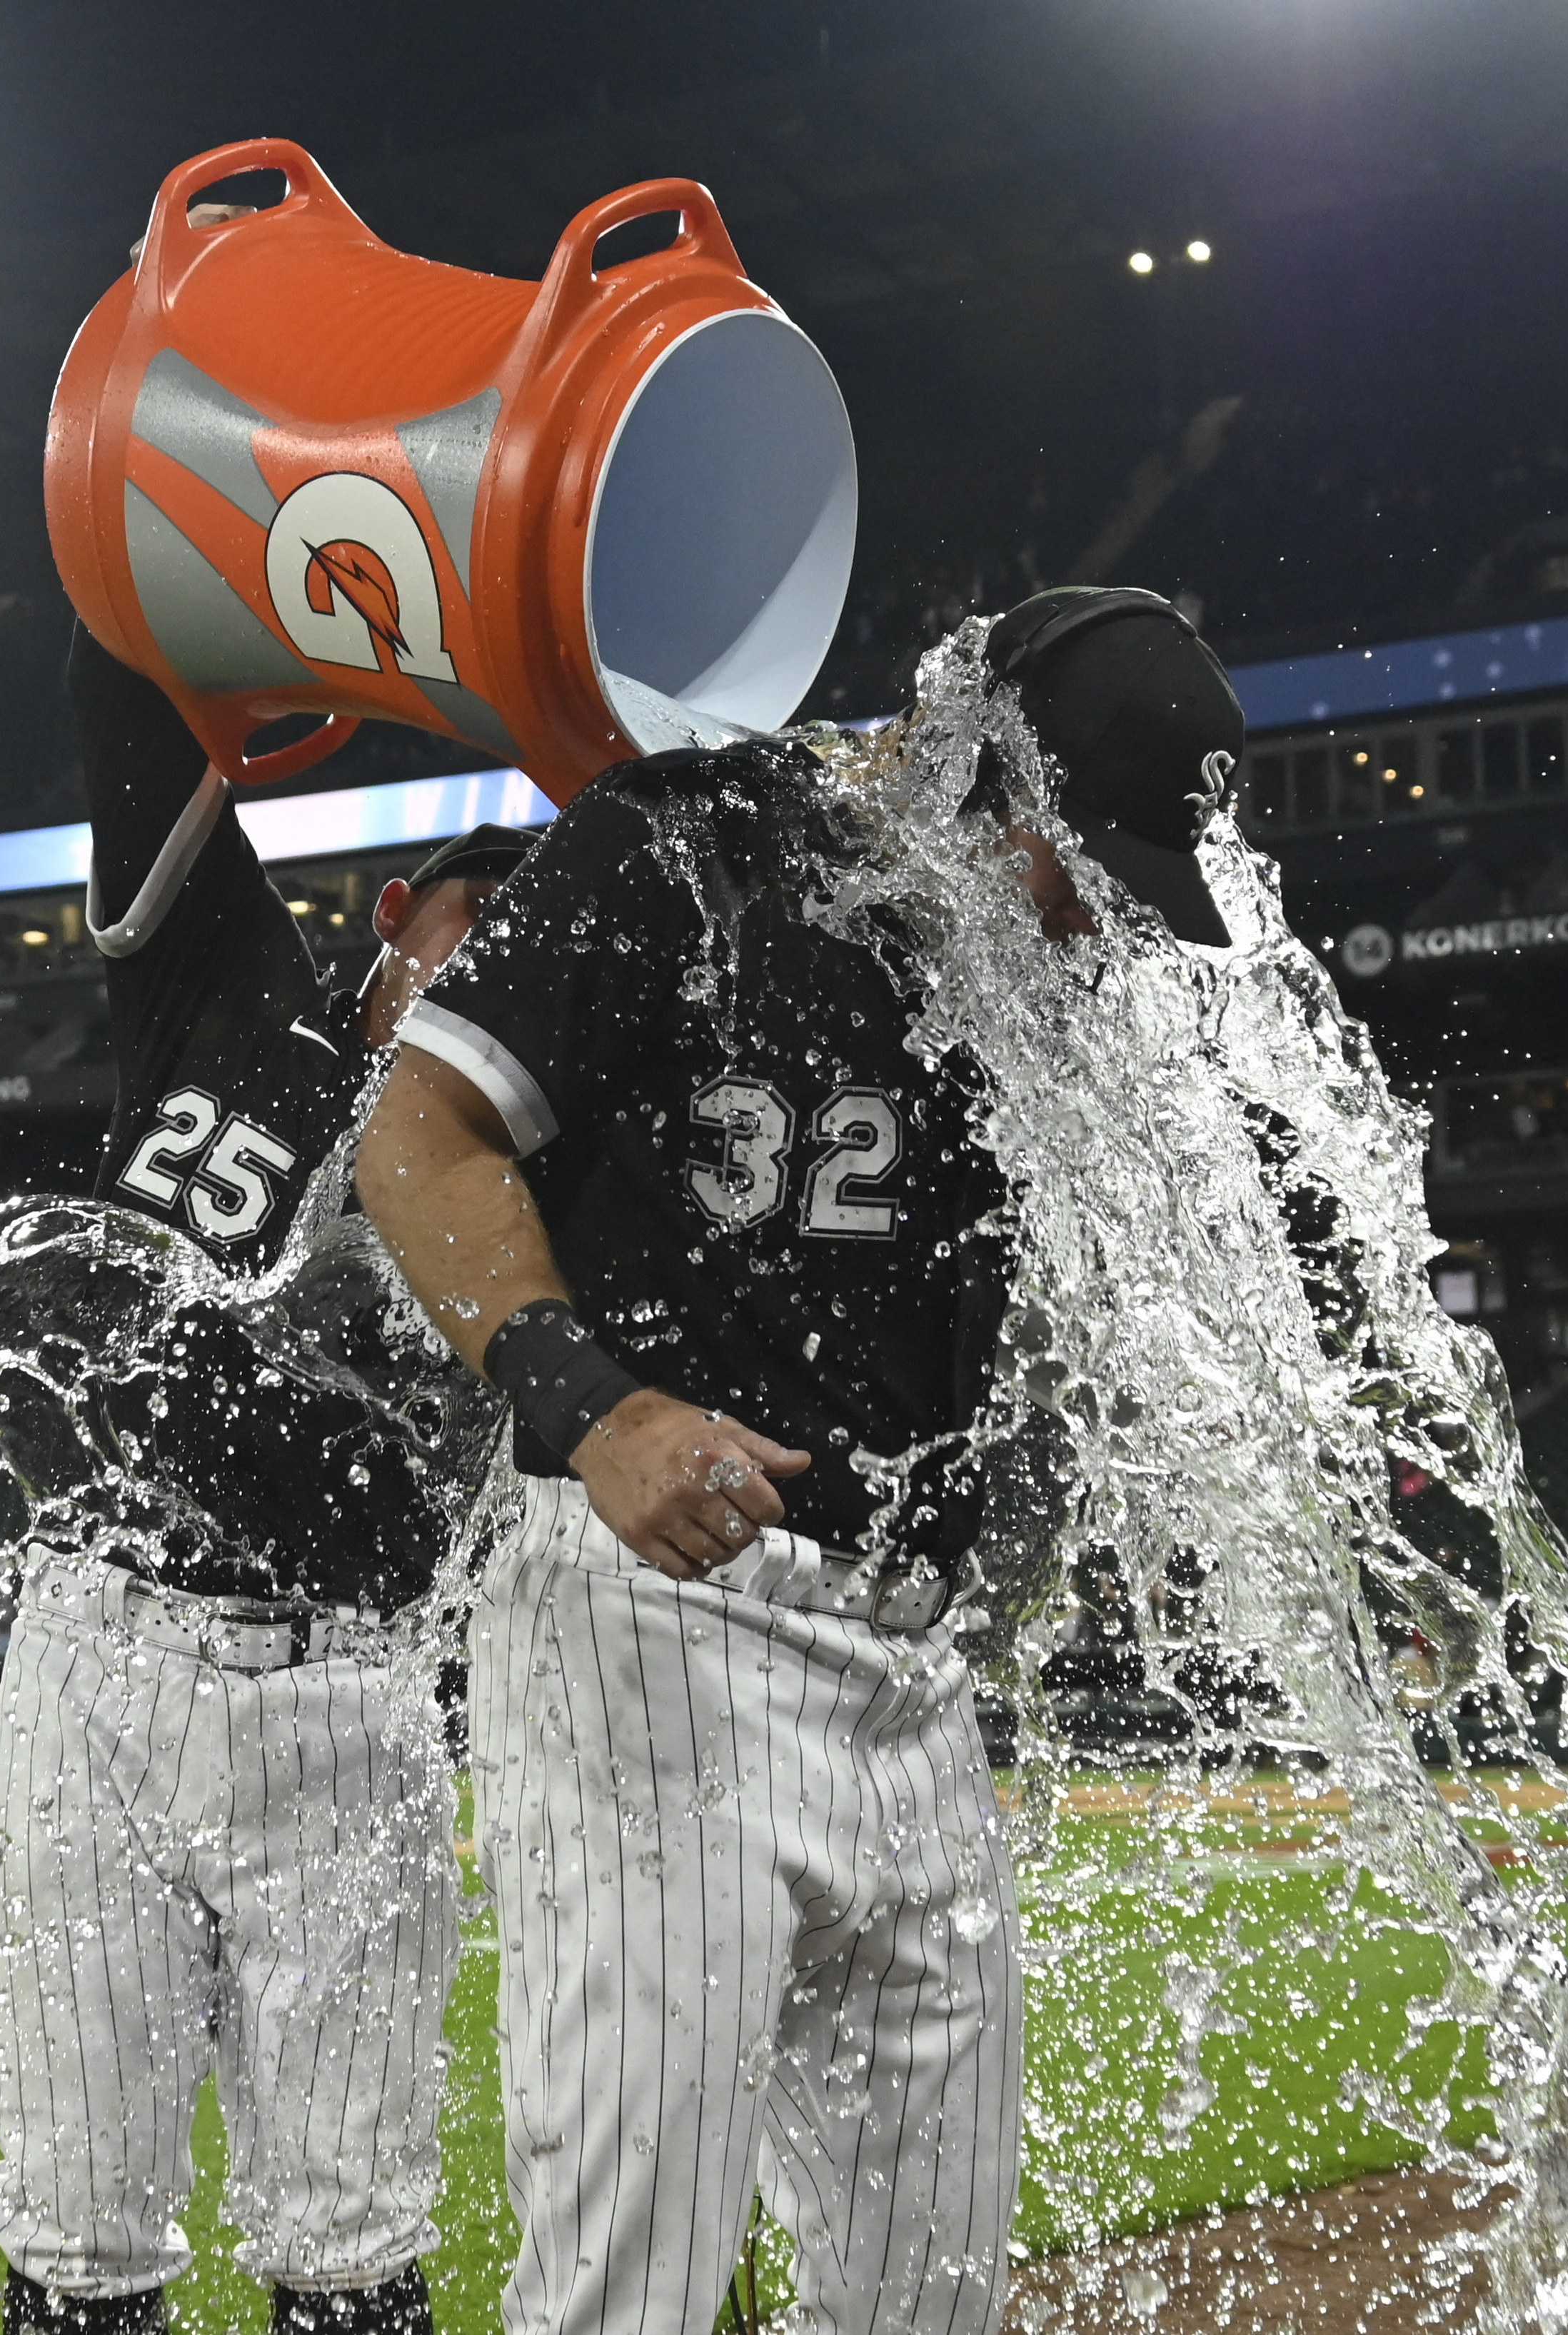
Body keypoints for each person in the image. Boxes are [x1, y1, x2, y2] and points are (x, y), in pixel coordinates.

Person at [355, 583, 1245, 2335]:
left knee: (926, 2296)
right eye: (1079, 867)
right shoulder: (683, 842)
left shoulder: (1015, 997)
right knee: (639, 2281)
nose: (1098, 929)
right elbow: (419, 1129)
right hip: (657, 1617)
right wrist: (585, 1401)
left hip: (904, 1668)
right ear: (981, 777)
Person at [0, 621, 532, 2335]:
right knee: (75, 2234)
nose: (496, 958)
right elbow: (118, 692)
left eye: (537, 946)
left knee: (350, 2251)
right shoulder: (232, 995)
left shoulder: (549, 1175)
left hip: (347, 1697)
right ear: (393, 917)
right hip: (92, 1657)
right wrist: (285, 572)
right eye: (475, 914)